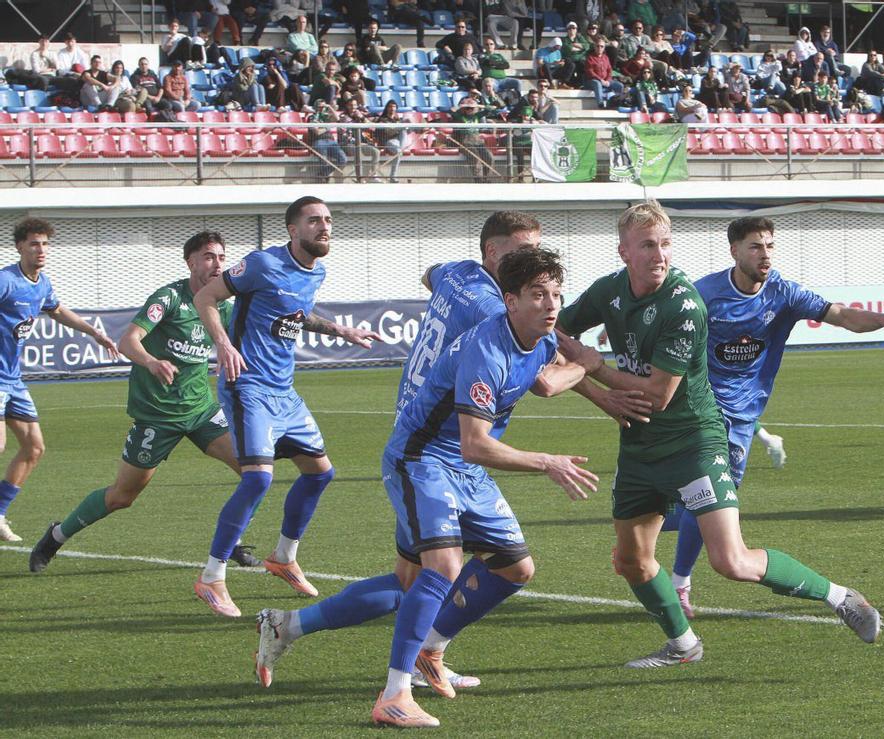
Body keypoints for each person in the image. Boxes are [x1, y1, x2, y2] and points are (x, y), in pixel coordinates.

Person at [258, 248, 597, 729]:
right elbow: (476, 444)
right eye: (539, 294)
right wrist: (548, 461)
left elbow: (543, 383)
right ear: (510, 300)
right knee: (443, 566)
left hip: (462, 468)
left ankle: (291, 626)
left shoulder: (538, 339)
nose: (551, 305)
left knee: (509, 568)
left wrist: (584, 365)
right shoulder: (486, 348)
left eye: (556, 294)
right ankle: (394, 695)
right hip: (421, 459)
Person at [557, 201, 882, 669]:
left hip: (694, 442)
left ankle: (841, 597)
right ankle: (683, 646)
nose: (659, 254)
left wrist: (595, 368)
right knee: (631, 559)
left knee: (731, 561)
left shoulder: (684, 303)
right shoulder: (608, 290)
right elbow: (557, 334)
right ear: (624, 251)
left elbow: (659, 394)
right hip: (640, 445)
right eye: (648, 245)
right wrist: (595, 391)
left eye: (665, 243)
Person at [665, 217, 884, 617]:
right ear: (734, 251)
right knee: (713, 500)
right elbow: (675, 336)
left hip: (745, 415)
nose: (765, 254)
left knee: (700, 503)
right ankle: (679, 585)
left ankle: (648, 516)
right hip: (705, 411)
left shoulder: (783, 292)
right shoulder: (706, 294)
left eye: (770, 245)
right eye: (755, 246)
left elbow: (839, 314)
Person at [192, 197, 382, 618]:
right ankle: (210, 576)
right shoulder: (261, 263)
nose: (324, 226)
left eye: (329, 219)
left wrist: (339, 329)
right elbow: (206, 297)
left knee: (321, 473)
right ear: (293, 229)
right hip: (249, 387)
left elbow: (296, 314)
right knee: (257, 479)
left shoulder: (317, 271)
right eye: (314, 220)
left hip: (284, 392)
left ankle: (284, 556)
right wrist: (223, 344)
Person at [28, 232, 261, 572]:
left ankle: (231, 543)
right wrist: (152, 361)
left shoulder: (223, 304)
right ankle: (57, 536)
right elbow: (128, 341)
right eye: (209, 257)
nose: (217, 264)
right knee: (121, 497)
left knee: (254, 473)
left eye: (222, 258)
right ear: (191, 262)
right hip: (156, 416)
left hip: (201, 410)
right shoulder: (169, 298)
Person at [0, 219, 119, 542]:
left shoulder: (41, 283)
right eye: (34, 244)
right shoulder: (5, 281)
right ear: (20, 247)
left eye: (45, 244)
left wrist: (94, 332)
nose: (41, 250)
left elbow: (57, 310)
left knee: (34, 447)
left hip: (12, 379)